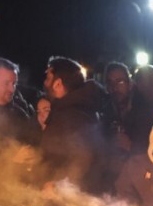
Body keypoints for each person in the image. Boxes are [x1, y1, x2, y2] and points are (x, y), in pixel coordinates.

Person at [39, 55, 107, 193]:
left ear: (57, 84)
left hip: (72, 200)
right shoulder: (68, 109)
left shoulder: (73, 114)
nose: (45, 83)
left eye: (48, 78)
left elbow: (85, 157)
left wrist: (60, 186)